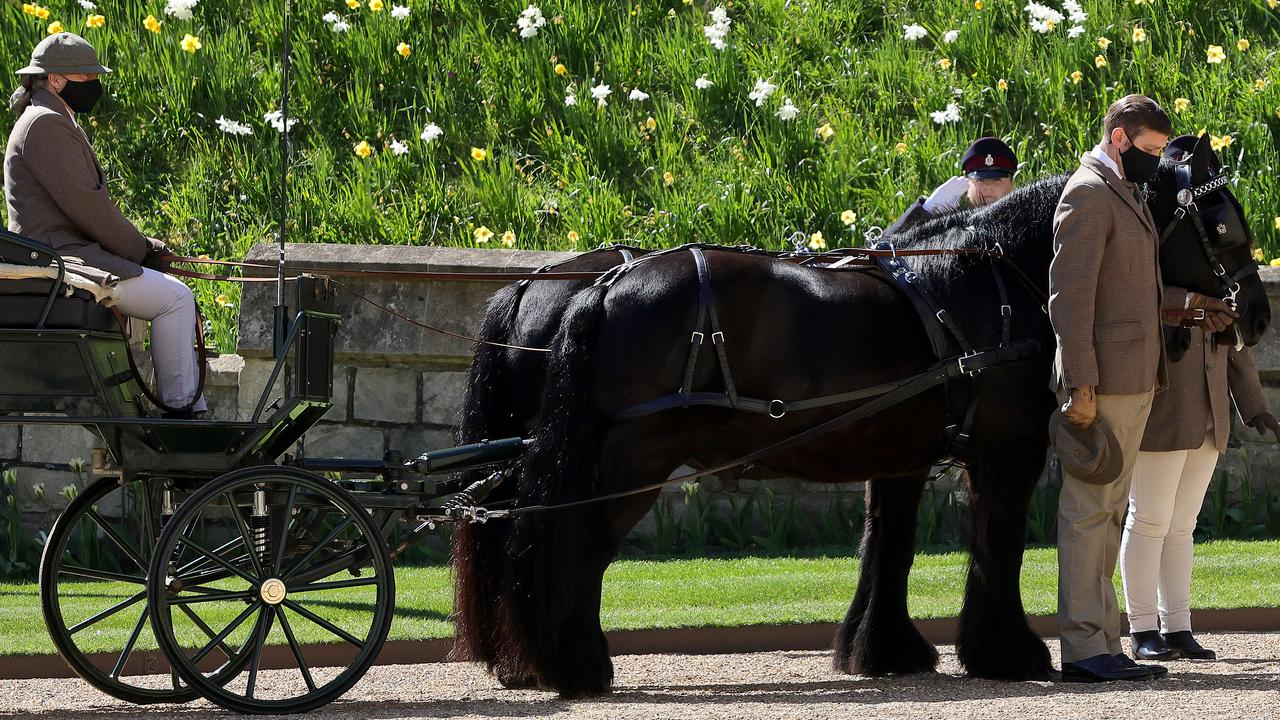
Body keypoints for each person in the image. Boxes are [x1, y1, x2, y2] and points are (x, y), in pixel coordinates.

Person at [1048, 95, 1236, 683]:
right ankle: (1083, 648)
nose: (1159, 162)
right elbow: (1069, 301)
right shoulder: (1087, 192)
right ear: (1121, 138)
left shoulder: (1122, 191)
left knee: (1105, 515)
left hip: (1132, 379)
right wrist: (1079, 382)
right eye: (1152, 150)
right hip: (1101, 382)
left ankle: (1103, 640)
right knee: (1087, 513)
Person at [1119, 136, 1279, 662]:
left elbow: (1235, 348)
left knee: (1182, 524)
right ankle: (1143, 626)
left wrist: (1254, 406)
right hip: (1164, 399)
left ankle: (1177, 625)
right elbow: (1132, 295)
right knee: (1149, 518)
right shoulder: (1149, 226)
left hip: (1210, 406)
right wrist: (1189, 303)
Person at [5, 33, 205, 416]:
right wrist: (141, 249)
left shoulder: (46, 118)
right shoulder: (45, 124)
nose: (96, 85)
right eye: (88, 77)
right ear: (57, 80)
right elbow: (90, 208)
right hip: (61, 257)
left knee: (174, 295)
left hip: (64, 251)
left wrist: (143, 247)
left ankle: (182, 412)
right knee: (176, 299)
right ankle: (182, 414)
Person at [882, 136, 1018, 237]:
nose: (988, 188)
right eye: (981, 181)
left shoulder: (1022, 223)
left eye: (996, 180)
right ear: (967, 183)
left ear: (1011, 183)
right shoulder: (947, 225)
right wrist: (926, 211)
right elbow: (885, 251)